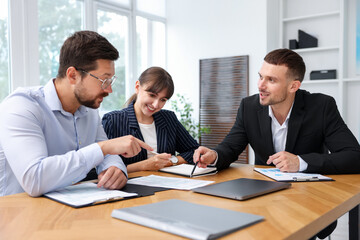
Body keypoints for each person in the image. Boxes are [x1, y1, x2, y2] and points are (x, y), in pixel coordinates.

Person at [193, 48, 360, 239]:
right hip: (261, 199)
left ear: (293, 86)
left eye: (271, 80)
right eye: (260, 77)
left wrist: (301, 162)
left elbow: (354, 156)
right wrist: (215, 155)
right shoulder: (249, 106)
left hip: (308, 201)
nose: (260, 85)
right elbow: (230, 147)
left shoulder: (321, 107)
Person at [0, 31, 152, 197]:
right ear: (72, 75)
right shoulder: (22, 106)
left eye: (111, 81)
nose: (109, 89)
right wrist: (102, 148)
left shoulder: (89, 111)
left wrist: (115, 169)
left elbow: (108, 154)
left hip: (69, 207)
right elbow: (34, 179)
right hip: (17, 212)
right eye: (104, 80)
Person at [102, 66, 199, 173]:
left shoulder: (168, 118)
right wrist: (144, 165)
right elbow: (102, 168)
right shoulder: (113, 120)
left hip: (167, 184)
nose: (156, 105)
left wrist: (171, 161)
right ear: (137, 87)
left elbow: (194, 151)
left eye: (163, 100)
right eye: (152, 95)